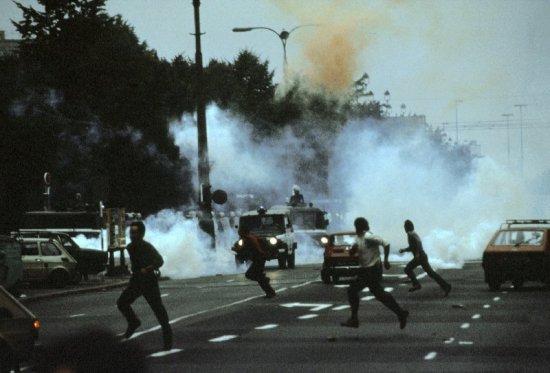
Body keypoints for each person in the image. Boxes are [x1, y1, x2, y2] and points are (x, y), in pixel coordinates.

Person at [341, 217, 409, 329]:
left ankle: (354, 319)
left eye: (356, 226)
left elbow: (386, 244)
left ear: (359, 227)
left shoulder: (369, 236)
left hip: (372, 269)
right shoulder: (358, 238)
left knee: (353, 291)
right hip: (365, 270)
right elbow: (353, 252)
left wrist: (386, 260)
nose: (355, 228)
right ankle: (401, 313)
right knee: (379, 294)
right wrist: (353, 250)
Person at [117, 221, 173, 350]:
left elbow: (159, 260)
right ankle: (133, 322)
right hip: (136, 281)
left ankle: (168, 340)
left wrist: (147, 269)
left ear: (141, 233)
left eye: (135, 232)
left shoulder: (147, 246)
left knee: (159, 311)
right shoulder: (130, 247)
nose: (132, 235)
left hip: (148, 282)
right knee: (122, 303)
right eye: (131, 232)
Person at [399, 220, 451, 296]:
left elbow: (418, 243)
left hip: (420, 257)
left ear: (407, 227)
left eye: (405, 227)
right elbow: (412, 246)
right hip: (422, 256)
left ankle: (416, 284)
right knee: (431, 273)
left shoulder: (410, 234)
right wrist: (404, 250)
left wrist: (416, 254)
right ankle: (446, 286)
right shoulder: (413, 233)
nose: (404, 228)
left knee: (407, 269)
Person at [238, 226, 276, 298]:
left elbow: (258, 249)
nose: (238, 233)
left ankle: (268, 287)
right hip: (258, 259)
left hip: (259, 259)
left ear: (243, 232)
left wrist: (262, 254)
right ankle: (270, 291)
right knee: (258, 276)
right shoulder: (248, 238)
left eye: (239, 231)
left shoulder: (250, 239)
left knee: (250, 275)